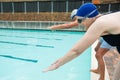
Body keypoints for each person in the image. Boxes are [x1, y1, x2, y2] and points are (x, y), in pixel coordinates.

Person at [43, 3, 120, 80]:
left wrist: (58, 64)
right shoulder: (101, 17)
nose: (80, 23)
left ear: (89, 17)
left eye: (80, 20)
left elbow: (76, 50)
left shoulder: (100, 23)